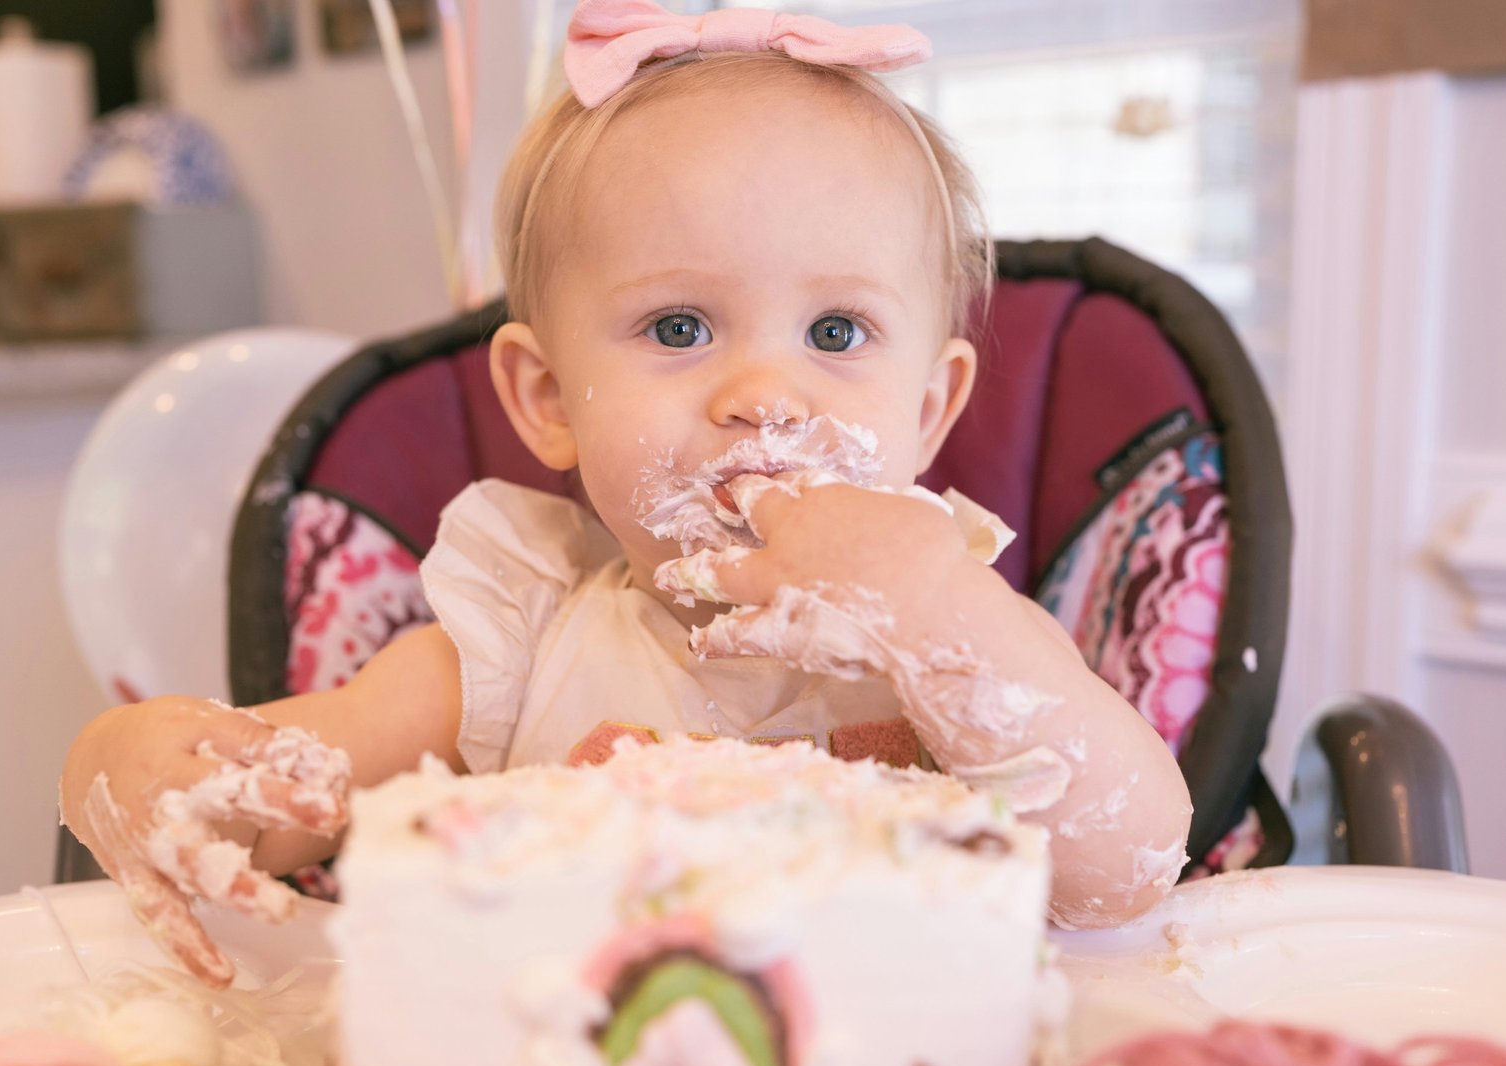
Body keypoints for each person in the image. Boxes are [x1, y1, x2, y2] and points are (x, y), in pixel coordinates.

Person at [60, 0, 1193, 987]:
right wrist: (126, 767)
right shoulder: (511, 650)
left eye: (836, 331)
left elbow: (1127, 871)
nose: (764, 393)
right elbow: (269, 784)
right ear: (549, 395)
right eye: (680, 327)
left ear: (931, 409)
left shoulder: (971, 651)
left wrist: (942, 616)